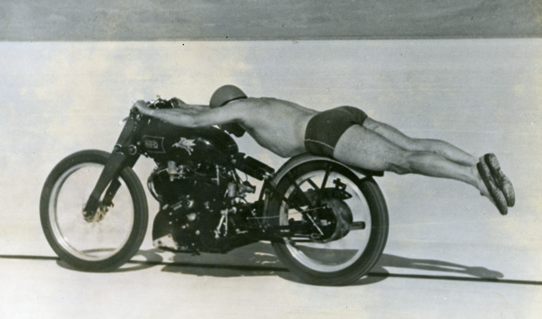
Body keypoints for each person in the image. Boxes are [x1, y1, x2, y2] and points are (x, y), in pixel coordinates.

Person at [135, 85, 515, 215]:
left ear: (228, 107)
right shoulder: (256, 103)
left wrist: (150, 112)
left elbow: (201, 121)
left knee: (402, 161)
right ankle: (474, 161)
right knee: (412, 145)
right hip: (340, 114)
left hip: (323, 133)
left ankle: (474, 179)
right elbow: (200, 111)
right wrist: (177, 104)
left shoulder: (239, 111)